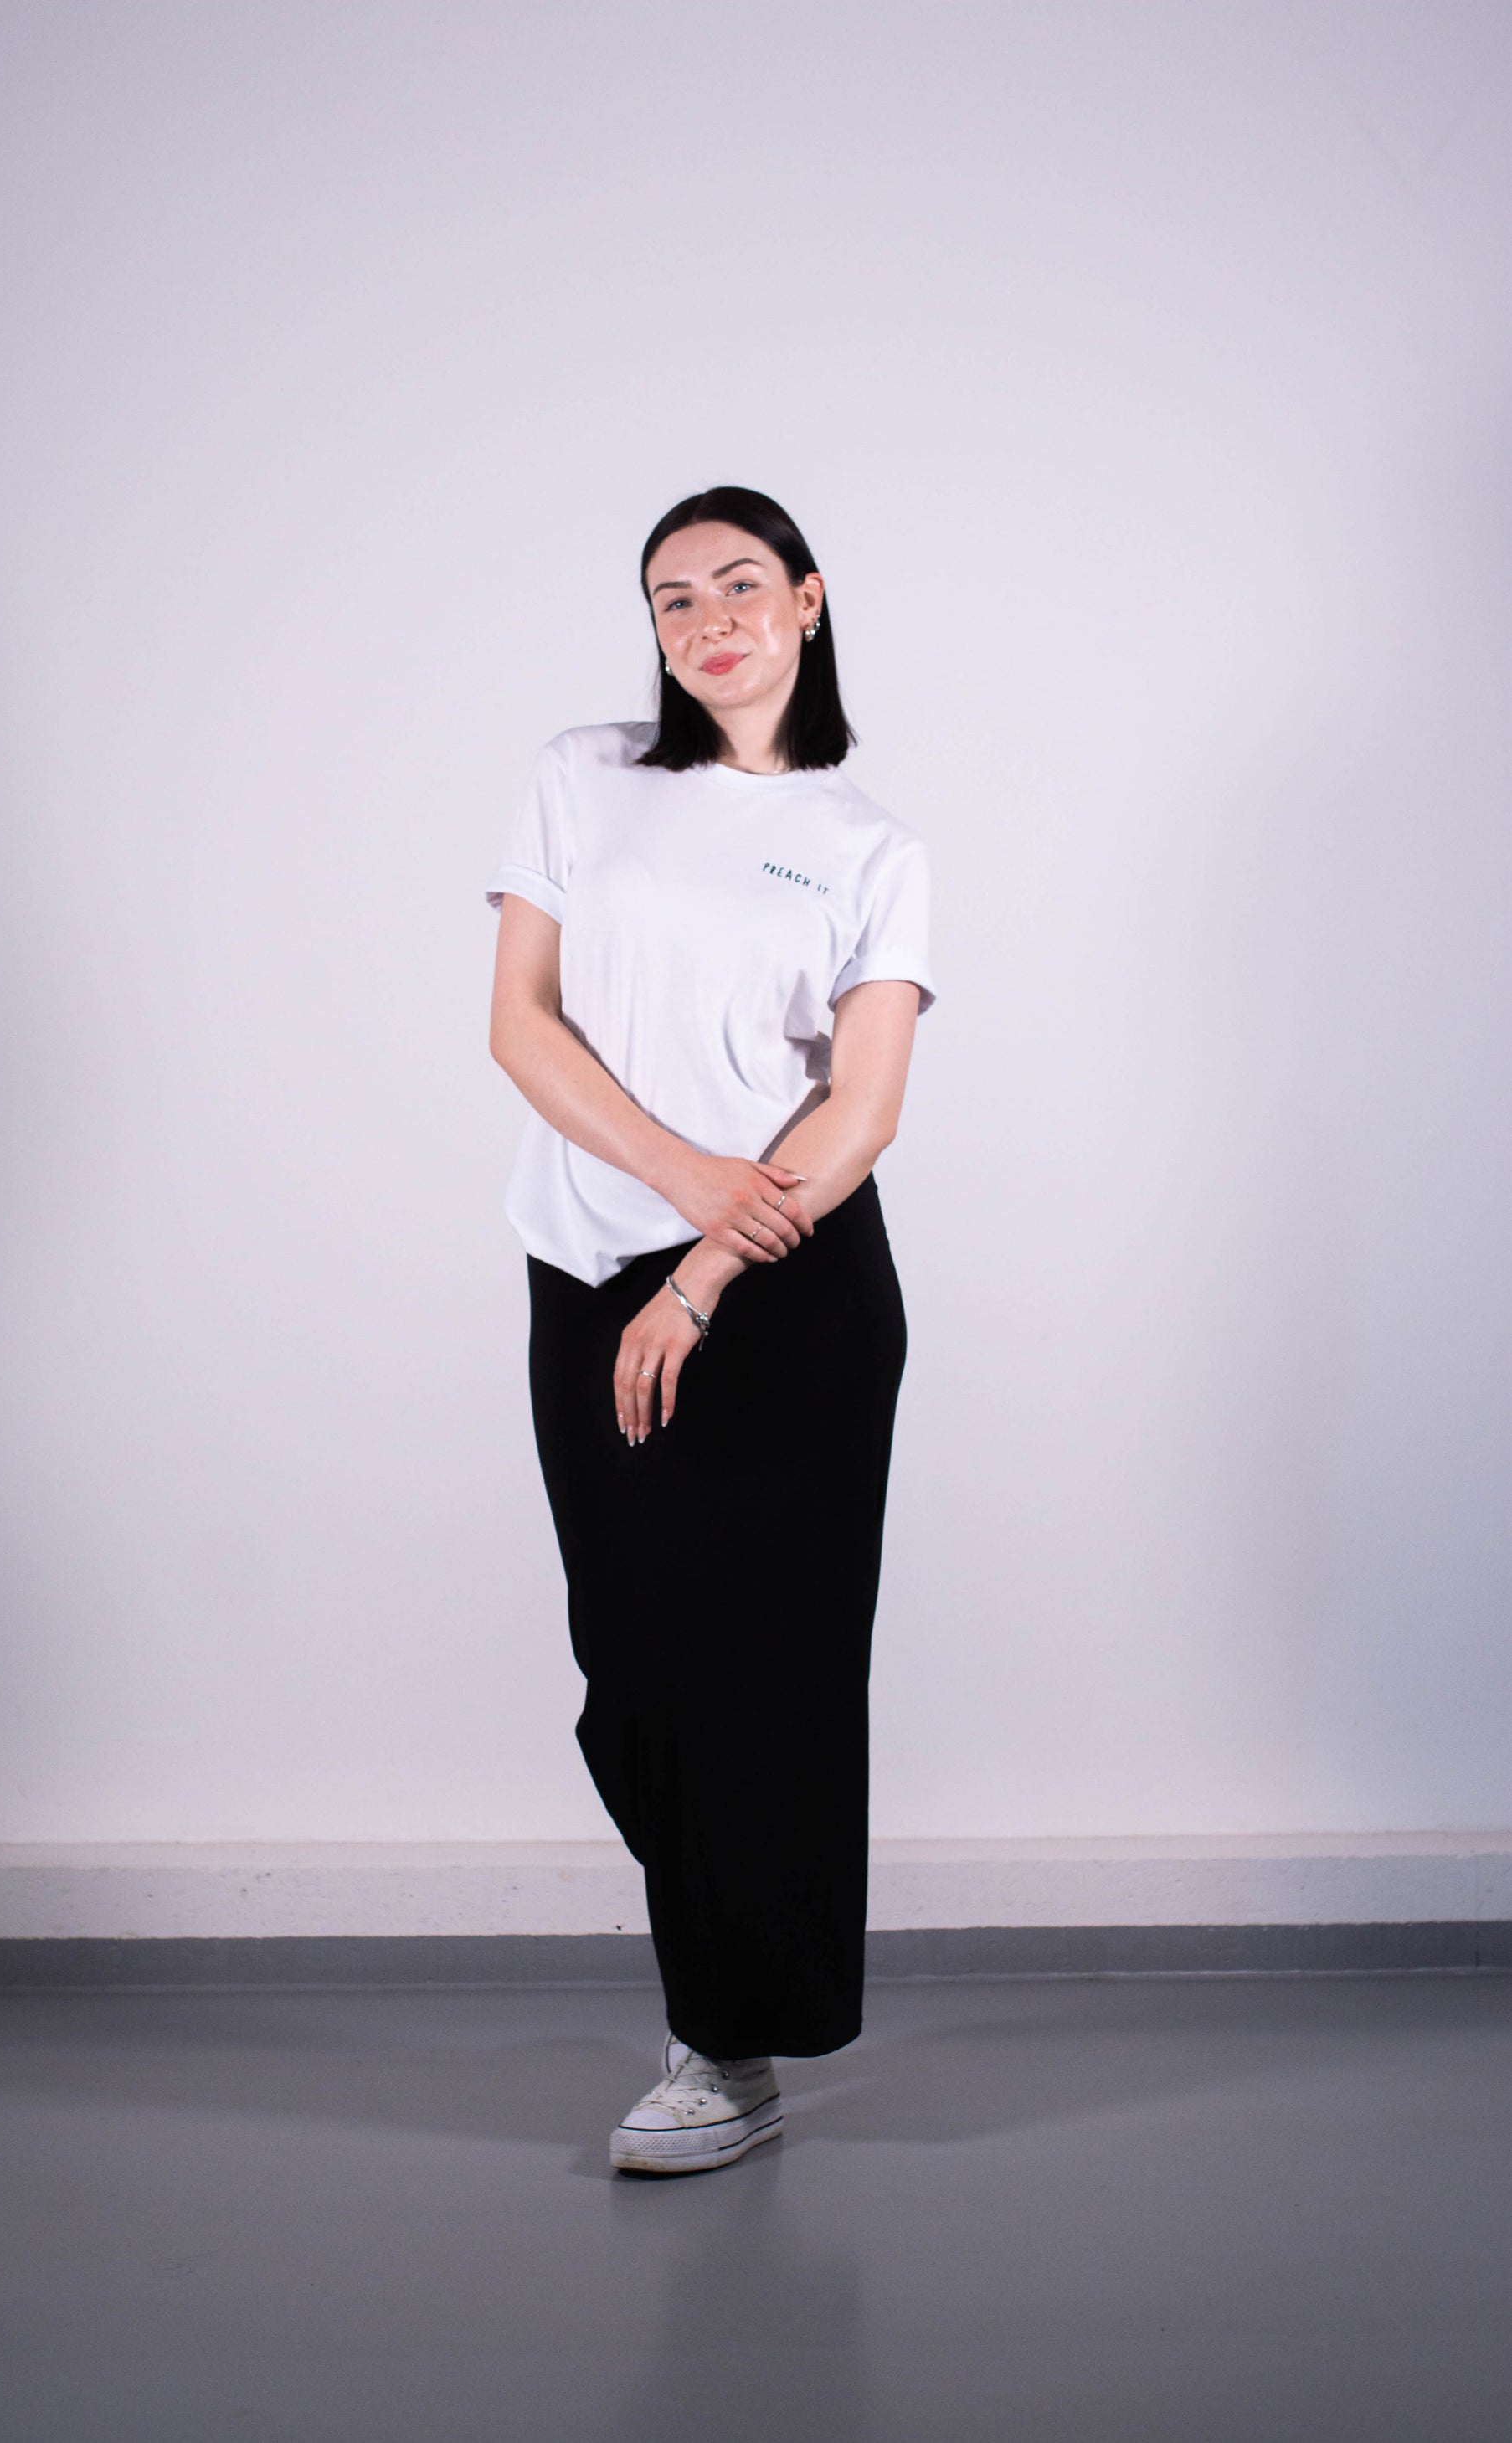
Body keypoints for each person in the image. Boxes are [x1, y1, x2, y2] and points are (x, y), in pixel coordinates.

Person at [486, 486, 934, 2175]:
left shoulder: (868, 844)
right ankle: (725, 1970)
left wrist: (706, 1269)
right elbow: (519, 1023)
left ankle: (725, 2044)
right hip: (593, 1258)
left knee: (772, 1675)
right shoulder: (585, 774)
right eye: (672, 598)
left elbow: (861, 1106)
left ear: (807, 601)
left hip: (787, 1285)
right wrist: (678, 1193)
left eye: (740, 584)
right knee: (635, 1668)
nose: (707, 620)